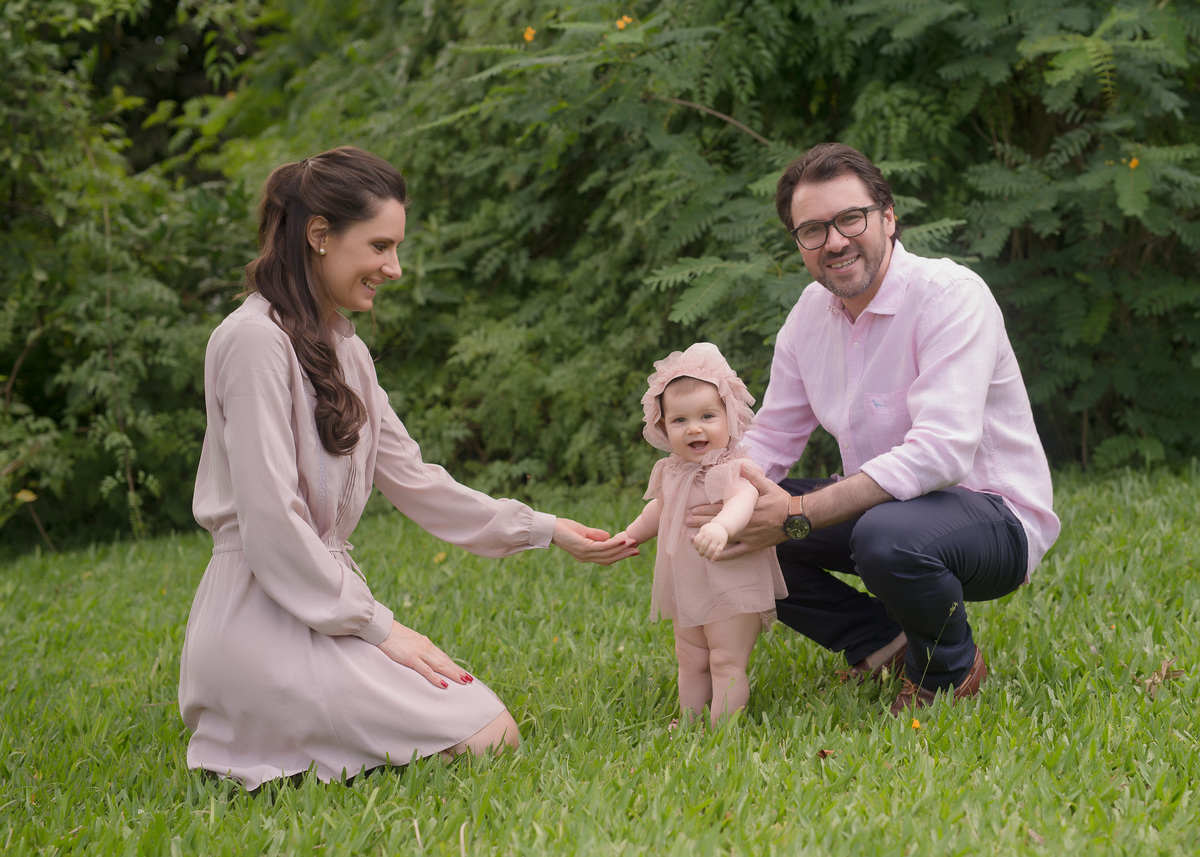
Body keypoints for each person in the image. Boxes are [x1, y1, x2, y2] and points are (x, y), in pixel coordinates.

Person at [179, 146, 636, 789]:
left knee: (486, 727)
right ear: (319, 236)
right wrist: (381, 629)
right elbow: (269, 520)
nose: (394, 268)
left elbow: (413, 476)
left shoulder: (345, 347)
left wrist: (544, 528)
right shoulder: (252, 340)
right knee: (485, 736)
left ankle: (310, 739)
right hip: (263, 613)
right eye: (379, 246)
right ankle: (260, 731)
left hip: (326, 604)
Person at [692, 142, 1060, 715]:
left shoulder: (949, 295)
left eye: (850, 218)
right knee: (743, 530)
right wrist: (714, 498)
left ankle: (948, 672)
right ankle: (881, 644)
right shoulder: (808, 317)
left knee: (881, 536)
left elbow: (942, 454)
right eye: (812, 229)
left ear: (888, 217)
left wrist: (800, 513)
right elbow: (769, 441)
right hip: (885, 510)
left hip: (994, 516)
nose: (834, 241)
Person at [615, 343, 787, 725]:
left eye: (707, 416)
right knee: (690, 657)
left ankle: (721, 735)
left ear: (731, 418)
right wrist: (629, 536)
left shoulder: (735, 467)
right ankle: (689, 724)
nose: (694, 428)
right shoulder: (671, 471)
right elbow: (658, 510)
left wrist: (722, 525)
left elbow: (743, 501)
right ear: (662, 427)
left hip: (732, 585)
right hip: (688, 585)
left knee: (725, 660)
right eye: (679, 421)